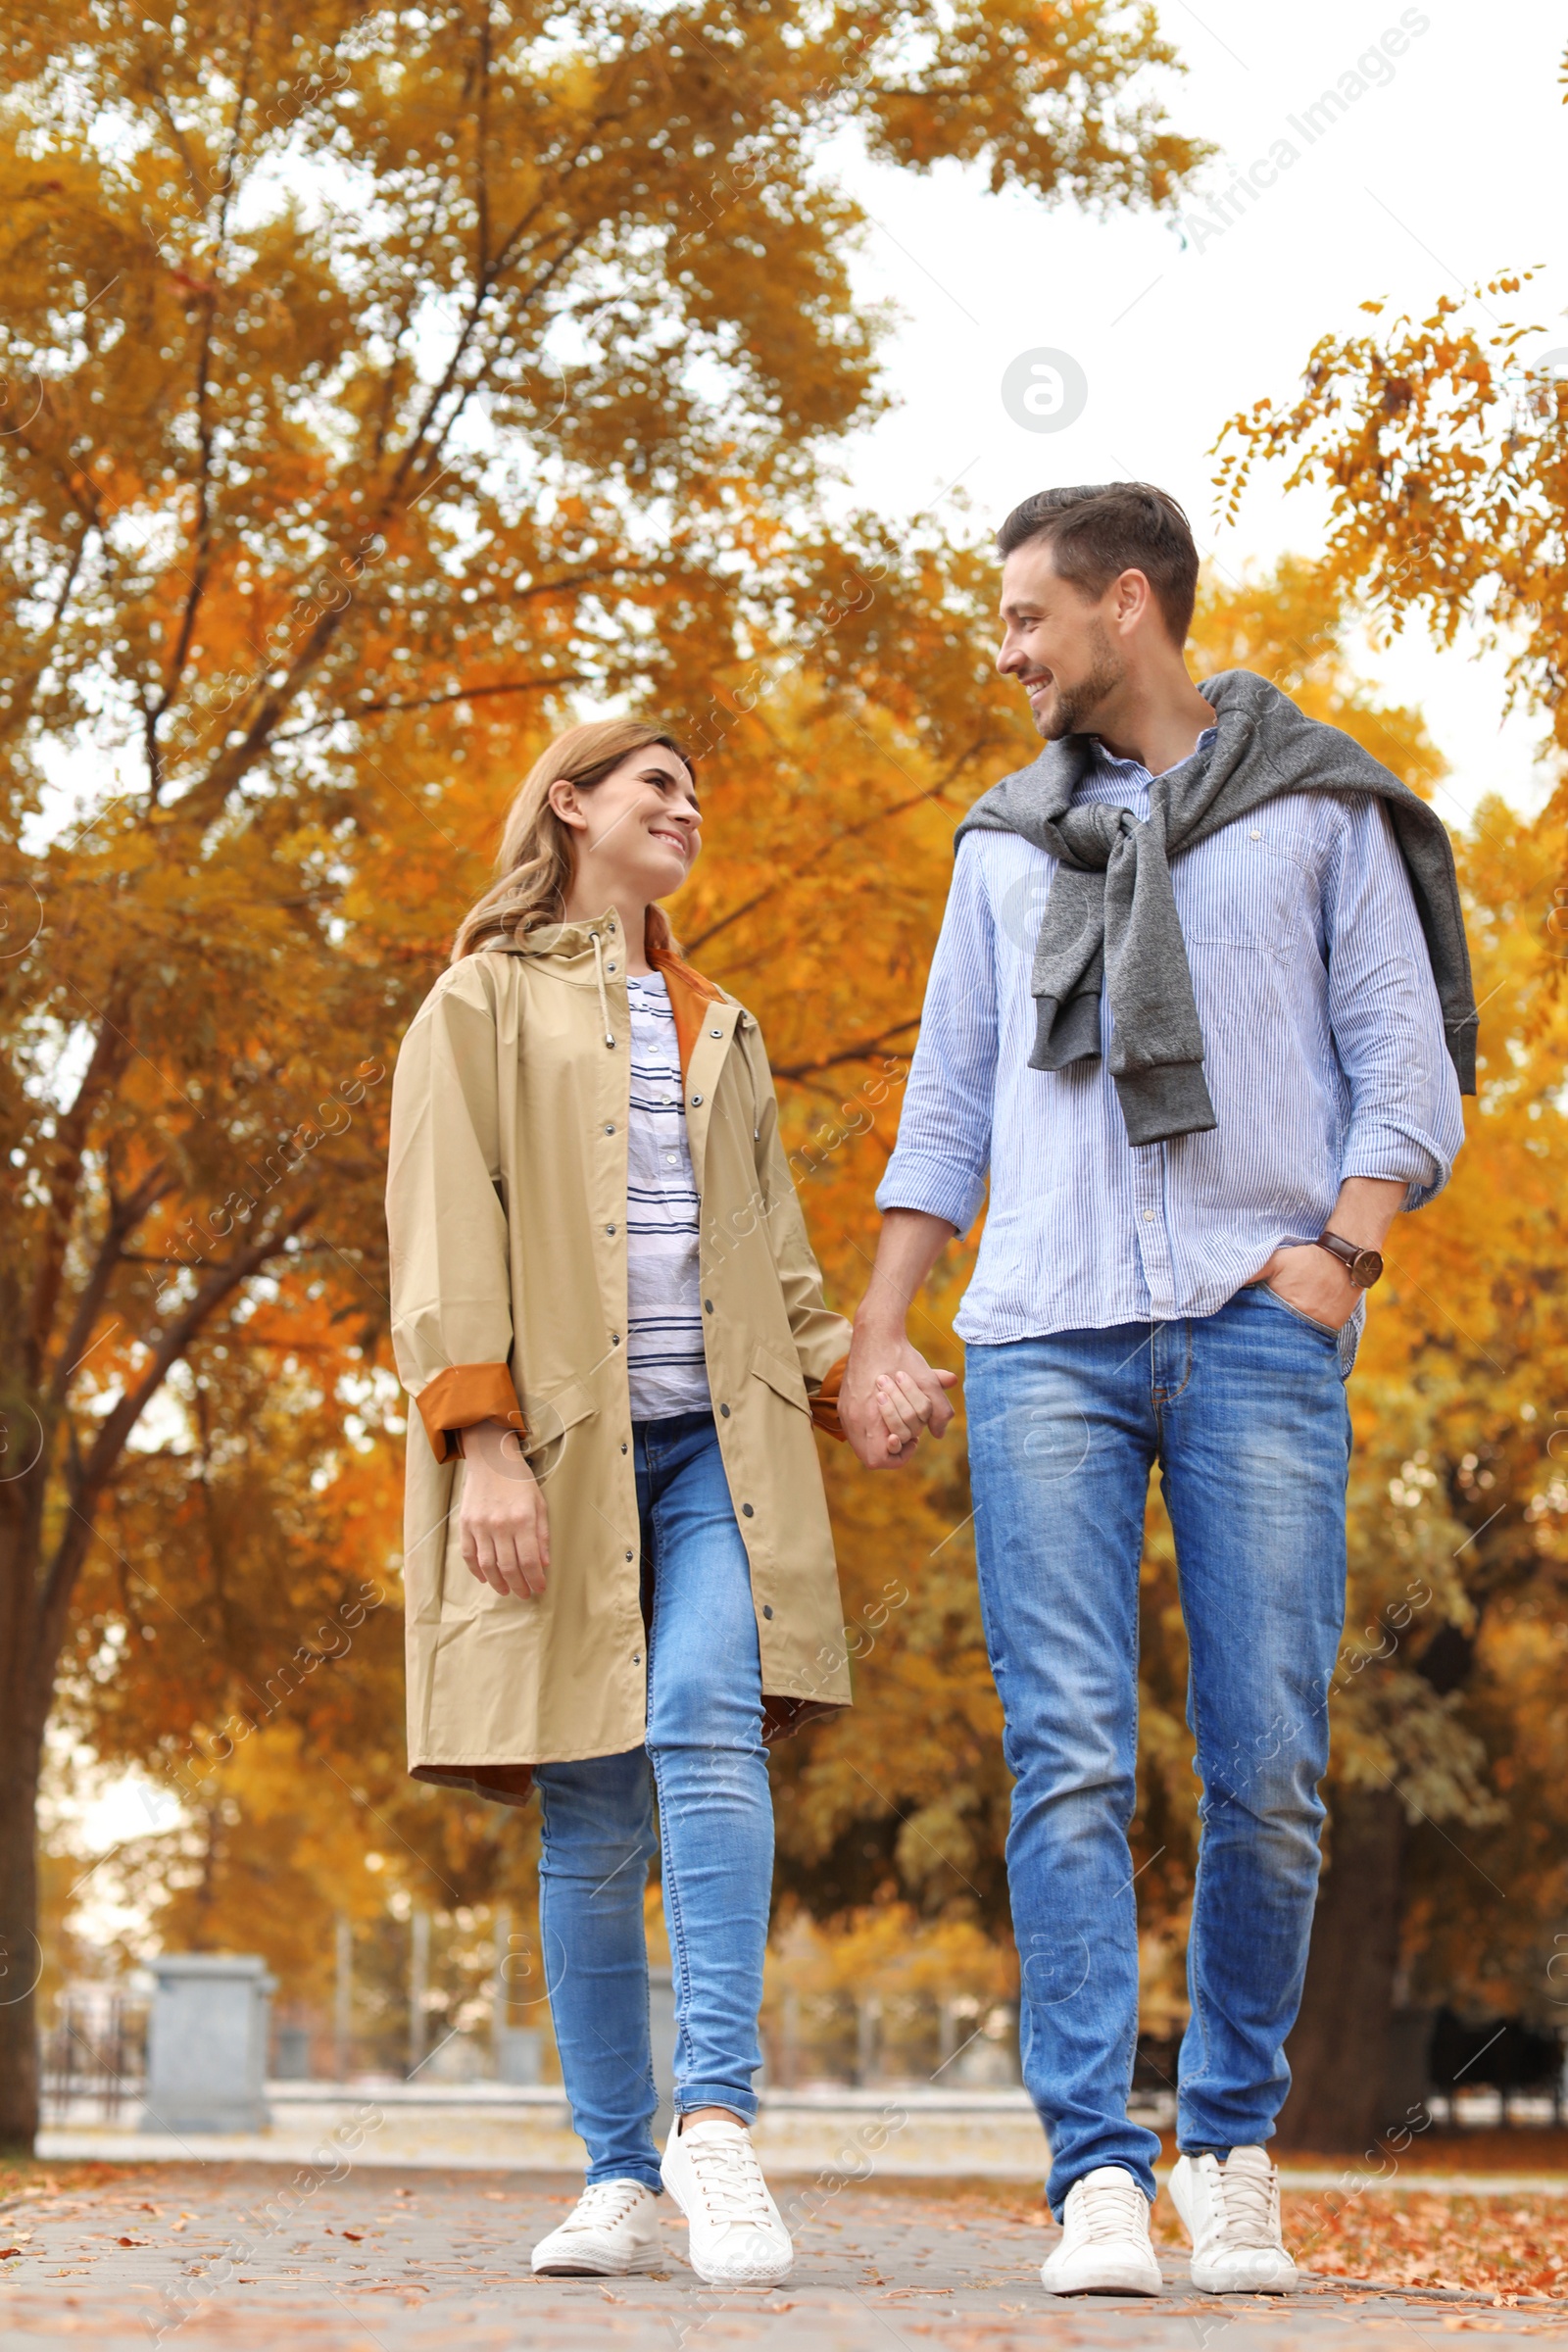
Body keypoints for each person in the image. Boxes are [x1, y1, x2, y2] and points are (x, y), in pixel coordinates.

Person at [841, 484, 1473, 2297]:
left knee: (1269, 1762)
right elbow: (947, 1102)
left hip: (1260, 1322)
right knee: (1064, 1760)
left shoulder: (1318, 811)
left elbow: (1401, 1064)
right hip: (1043, 1331)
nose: (1010, 651)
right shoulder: (1002, 846)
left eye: (1030, 618)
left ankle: (1230, 2142)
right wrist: (885, 1327)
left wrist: (1339, 1257)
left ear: (1130, 605)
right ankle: (1094, 2174)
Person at [385, 720, 920, 2286]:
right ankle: (618, 2177)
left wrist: (855, 1378)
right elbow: (440, 1229)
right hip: (555, 1459)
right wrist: (480, 1439)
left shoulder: (725, 1025)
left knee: (702, 1717)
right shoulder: (475, 1003)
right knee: (590, 1808)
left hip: (713, 1462)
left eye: (695, 793)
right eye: (655, 786)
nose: (686, 810)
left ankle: (717, 2128)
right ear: (571, 805)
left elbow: (780, 1269)